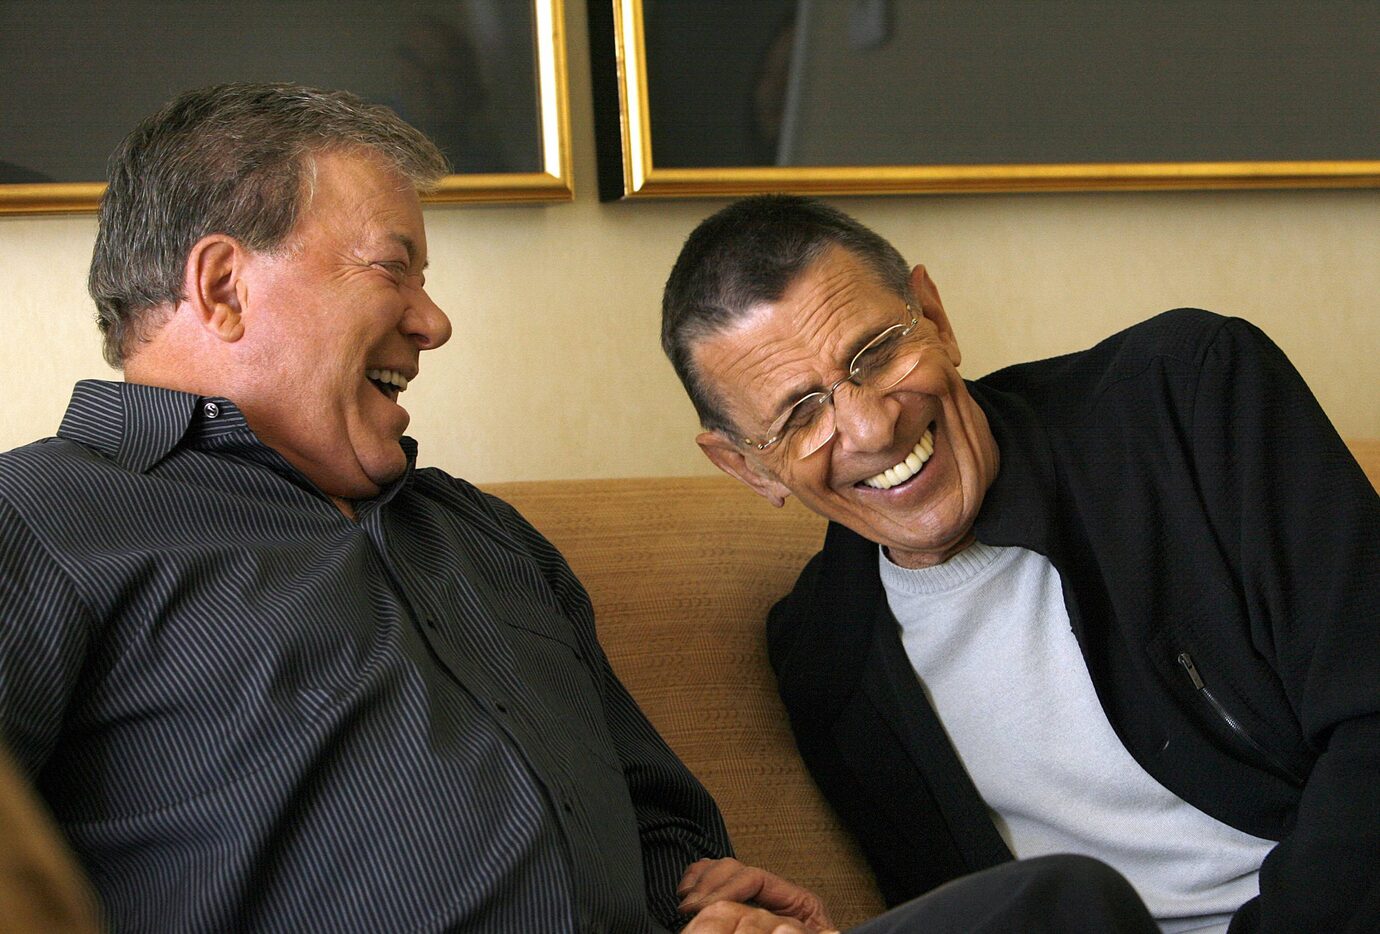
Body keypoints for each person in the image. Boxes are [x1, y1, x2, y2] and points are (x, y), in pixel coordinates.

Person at [0, 85, 1159, 933]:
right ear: (221, 285)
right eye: (392, 269)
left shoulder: (480, 538)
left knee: (1061, 910)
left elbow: (659, 823)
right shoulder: (45, 519)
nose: (433, 320)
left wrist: (697, 894)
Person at [661, 194, 1380, 934]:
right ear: (749, 467)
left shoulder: (1187, 396)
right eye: (801, 414)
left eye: (876, 354)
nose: (873, 427)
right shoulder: (826, 657)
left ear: (935, 318)